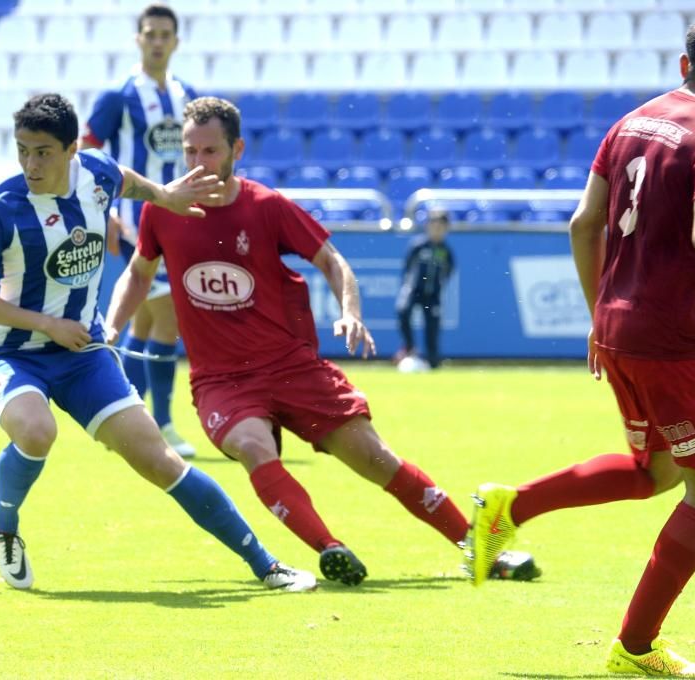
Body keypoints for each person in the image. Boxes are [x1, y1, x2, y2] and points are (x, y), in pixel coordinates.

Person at [106, 96, 539, 586]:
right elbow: (139, 274)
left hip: (292, 366)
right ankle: (329, 548)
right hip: (223, 380)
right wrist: (112, 326)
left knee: (376, 459)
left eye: (209, 151)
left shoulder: (267, 207)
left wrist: (351, 312)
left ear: (237, 150)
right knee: (252, 445)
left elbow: (332, 261)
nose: (197, 163)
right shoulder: (162, 211)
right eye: (189, 152)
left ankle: (479, 550)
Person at [465, 12, 695, 676]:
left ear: (683, 65)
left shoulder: (630, 122)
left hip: (621, 327)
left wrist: (601, 314)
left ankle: (512, 506)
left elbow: (582, 222)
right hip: (676, 339)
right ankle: (635, 647)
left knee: (658, 472)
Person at [0, 93, 316, 594]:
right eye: (22, 150)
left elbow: (126, 179)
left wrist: (164, 196)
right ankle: (5, 527)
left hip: (81, 354)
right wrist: (47, 323)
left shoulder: (95, 173)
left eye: (43, 152)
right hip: (10, 352)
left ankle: (266, 565)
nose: (30, 164)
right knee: (36, 432)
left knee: (160, 461)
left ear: (72, 149)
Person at [79, 3, 196, 457]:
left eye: (165, 34)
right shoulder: (119, 96)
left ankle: (125, 418)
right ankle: (162, 422)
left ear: (176, 41)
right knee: (169, 315)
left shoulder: (187, 95)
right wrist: (104, 208)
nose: (158, 41)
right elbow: (88, 151)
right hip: (133, 222)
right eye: (150, 33)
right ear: (138, 39)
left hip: (178, 222)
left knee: (147, 320)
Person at [394, 209, 454, 373]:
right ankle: (410, 348)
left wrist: (438, 286)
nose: (436, 229)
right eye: (433, 225)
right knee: (403, 311)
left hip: (433, 295)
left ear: (446, 228)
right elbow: (407, 268)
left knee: (432, 326)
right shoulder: (418, 246)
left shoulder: (446, 251)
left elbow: (449, 271)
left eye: (440, 226)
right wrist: (409, 285)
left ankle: (433, 360)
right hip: (414, 291)